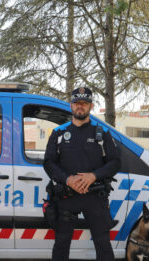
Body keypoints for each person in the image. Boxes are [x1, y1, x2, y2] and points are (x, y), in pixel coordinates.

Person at [43, 87, 120, 261]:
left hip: (94, 196)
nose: (80, 107)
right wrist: (68, 179)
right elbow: (48, 162)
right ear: (71, 105)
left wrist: (93, 176)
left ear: (90, 106)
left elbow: (115, 162)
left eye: (84, 103)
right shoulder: (59, 132)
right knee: (61, 244)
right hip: (67, 196)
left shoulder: (102, 132)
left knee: (103, 245)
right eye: (77, 103)